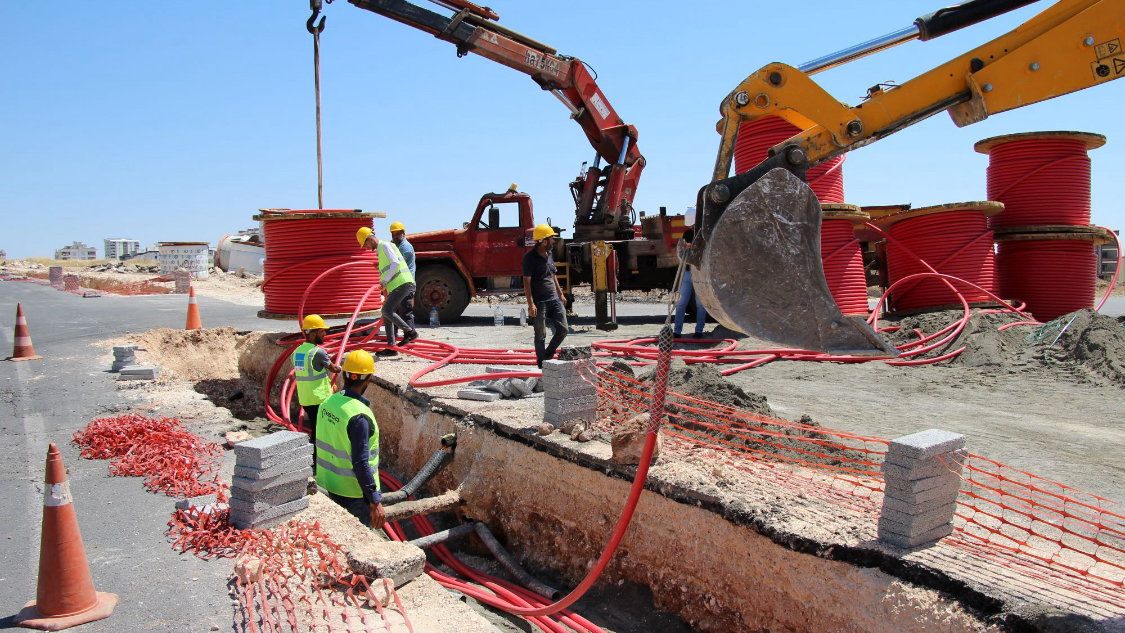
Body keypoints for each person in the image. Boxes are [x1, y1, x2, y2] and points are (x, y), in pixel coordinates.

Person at [315, 349, 386, 529]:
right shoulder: (359, 416)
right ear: (368, 379)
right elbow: (361, 463)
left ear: (345, 375)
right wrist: (374, 501)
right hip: (354, 492)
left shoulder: (328, 403)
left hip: (329, 483)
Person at [357, 226, 418, 356]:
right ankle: (391, 347)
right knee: (386, 314)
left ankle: (410, 332)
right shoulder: (381, 251)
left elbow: (395, 263)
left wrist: (385, 280)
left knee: (387, 310)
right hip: (396, 285)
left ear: (371, 239)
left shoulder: (385, 245)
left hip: (402, 282)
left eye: (366, 244)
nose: (366, 247)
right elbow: (390, 265)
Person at [292, 314, 342, 460]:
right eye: (322, 332)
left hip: (306, 398)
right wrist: (340, 368)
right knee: (320, 431)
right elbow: (333, 368)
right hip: (319, 398)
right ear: (313, 334)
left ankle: (316, 458)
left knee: (316, 427)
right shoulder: (318, 352)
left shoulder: (297, 352)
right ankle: (316, 461)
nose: (325, 334)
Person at [522, 224, 567, 368]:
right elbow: (527, 282)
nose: (554, 241)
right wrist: (531, 304)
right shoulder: (529, 258)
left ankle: (548, 354)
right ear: (544, 241)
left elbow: (553, 275)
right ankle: (542, 364)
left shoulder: (549, 254)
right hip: (540, 301)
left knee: (563, 329)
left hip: (554, 299)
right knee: (540, 334)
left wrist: (560, 294)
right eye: (551, 238)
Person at [674, 227, 708, 339]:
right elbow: (681, 248)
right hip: (688, 272)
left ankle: (699, 331)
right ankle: (677, 332)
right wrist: (685, 246)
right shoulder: (688, 233)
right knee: (681, 303)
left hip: (699, 273)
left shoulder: (704, 232)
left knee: (700, 304)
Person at [388, 221, 416, 343]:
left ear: (403, 233)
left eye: (397, 234)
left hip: (406, 284)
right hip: (398, 284)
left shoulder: (405, 247)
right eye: (393, 234)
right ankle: (393, 338)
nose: (395, 236)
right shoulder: (396, 246)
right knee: (393, 311)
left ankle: (410, 335)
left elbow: (397, 264)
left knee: (405, 310)